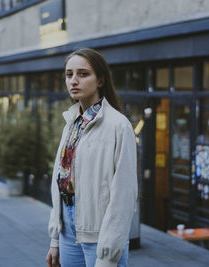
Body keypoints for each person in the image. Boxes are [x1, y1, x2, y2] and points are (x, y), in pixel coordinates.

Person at [46, 48, 138, 267]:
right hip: (68, 228)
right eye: (69, 74)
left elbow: (124, 196)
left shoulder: (119, 126)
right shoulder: (72, 122)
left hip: (100, 232)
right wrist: (55, 238)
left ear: (100, 80)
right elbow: (58, 181)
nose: (74, 81)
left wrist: (108, 256)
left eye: (83, 74)